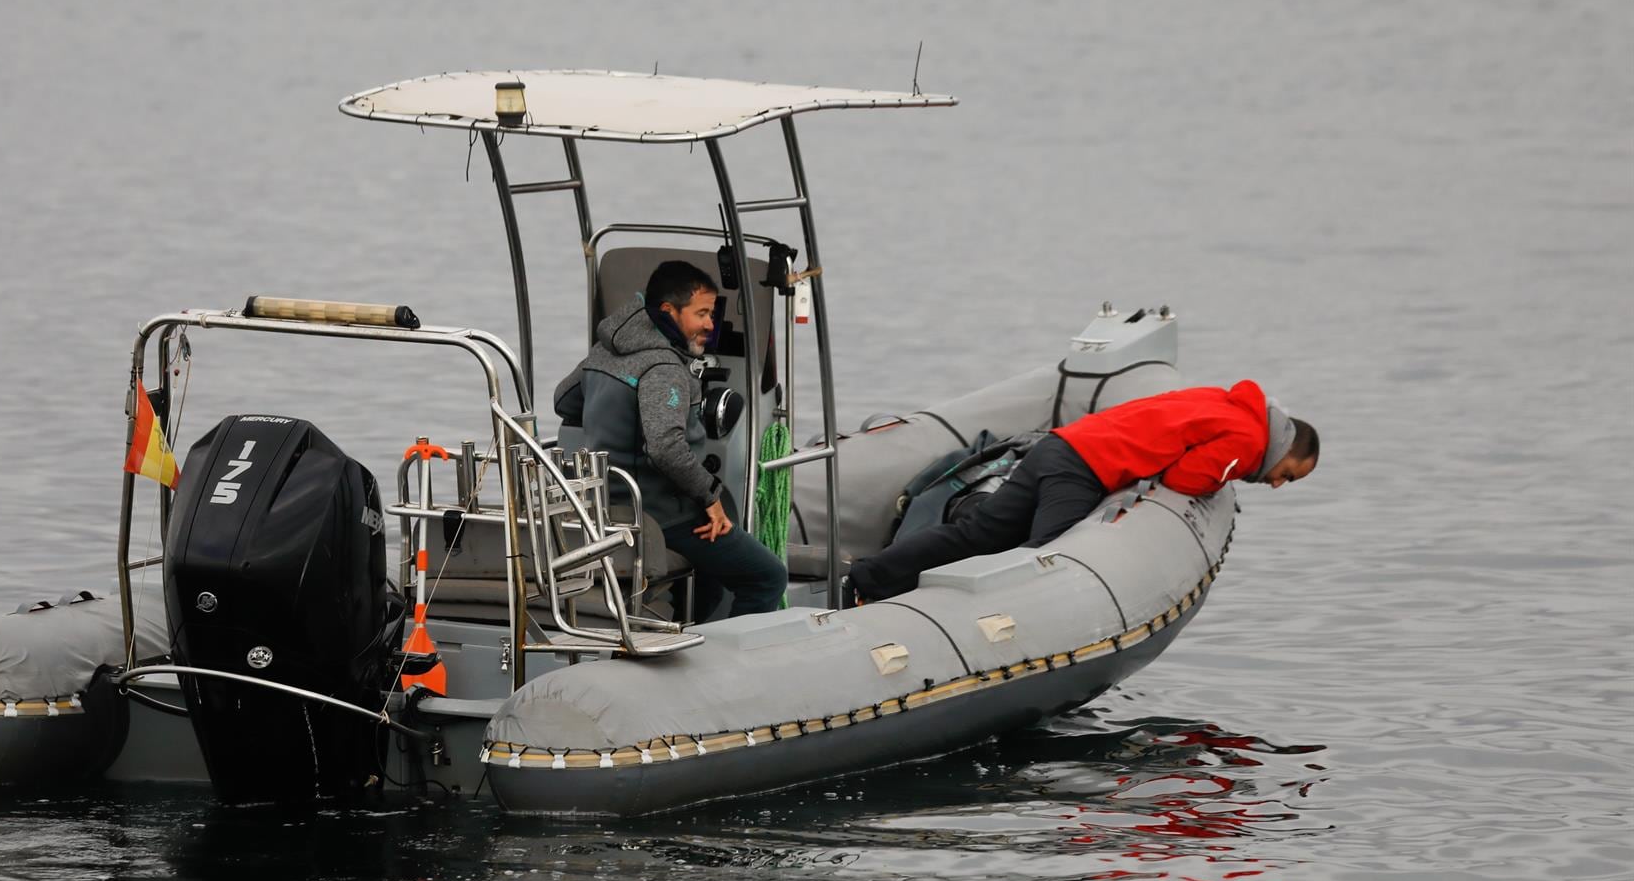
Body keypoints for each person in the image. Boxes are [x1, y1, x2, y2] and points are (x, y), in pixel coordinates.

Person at [845, 380, 1318, 604]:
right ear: (1283, 446)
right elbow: (1185, 479)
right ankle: (940, 616)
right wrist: (1222, 477)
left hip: (1060, 446)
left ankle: (869, 578)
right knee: (1043, 560)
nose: (1277, 482)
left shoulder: (1229, 403)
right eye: (1288, 474)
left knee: (978, 533)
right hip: (1083, 469)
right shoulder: (1250, 440)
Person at [555, 260, 788, 619]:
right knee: (768, 576)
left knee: (712, 575)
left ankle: (686, 633)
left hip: (604, 505)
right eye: (702, 314)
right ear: (668, 311)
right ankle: (734, 664)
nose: (710, 325)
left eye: (712, 314)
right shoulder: (664, 368)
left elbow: (563, 399)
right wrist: (709, 497)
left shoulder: (604, 352)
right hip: (661, 514)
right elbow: (665, 448)